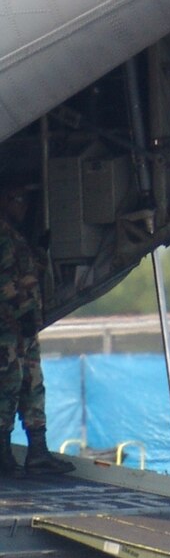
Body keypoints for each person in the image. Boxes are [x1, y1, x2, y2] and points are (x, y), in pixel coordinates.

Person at [0, 183, 69, 479]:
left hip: (24, 329)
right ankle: (2, 454)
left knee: (33, 387)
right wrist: (18, 309)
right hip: (8, 330)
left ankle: (37, 452)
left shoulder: (16, 238)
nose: (23, 206)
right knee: (8, 388)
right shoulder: (3, 238)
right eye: (18, 200)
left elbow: (24, 276)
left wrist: (38, 254)